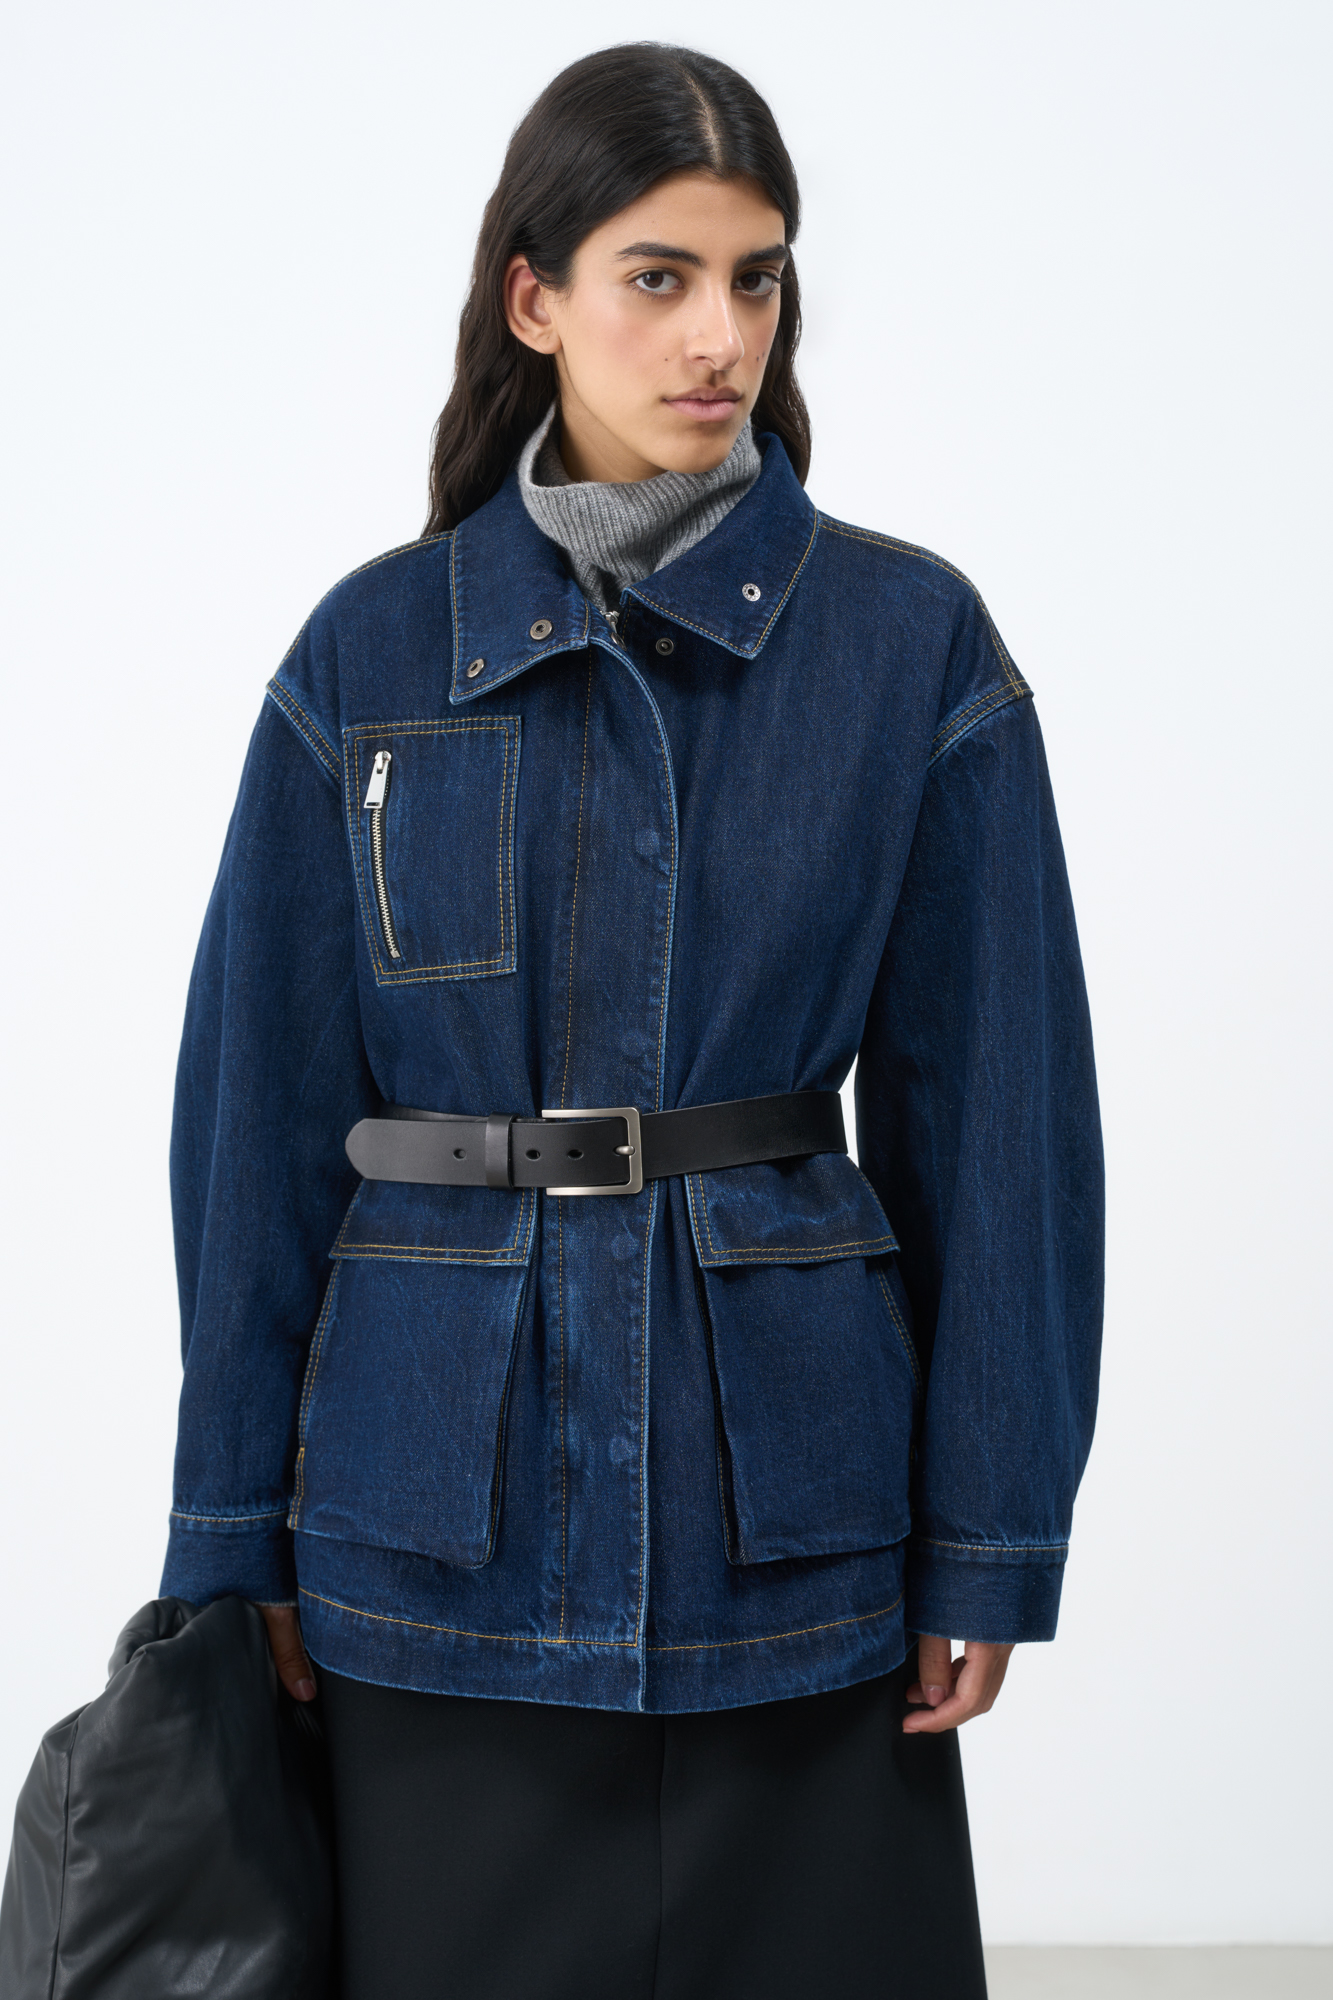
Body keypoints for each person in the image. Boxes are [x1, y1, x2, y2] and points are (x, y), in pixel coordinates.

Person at [160, 42, 1103, 2000]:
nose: (718, 336)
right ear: (535, 297)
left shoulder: (907, 645)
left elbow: (1000, 1128)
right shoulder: (372, 651)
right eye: (657, 276)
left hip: (792, 1519)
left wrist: (988, 1532)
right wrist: (233, 1531)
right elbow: (255, 1133)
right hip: (430, 1517)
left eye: (755, 278)